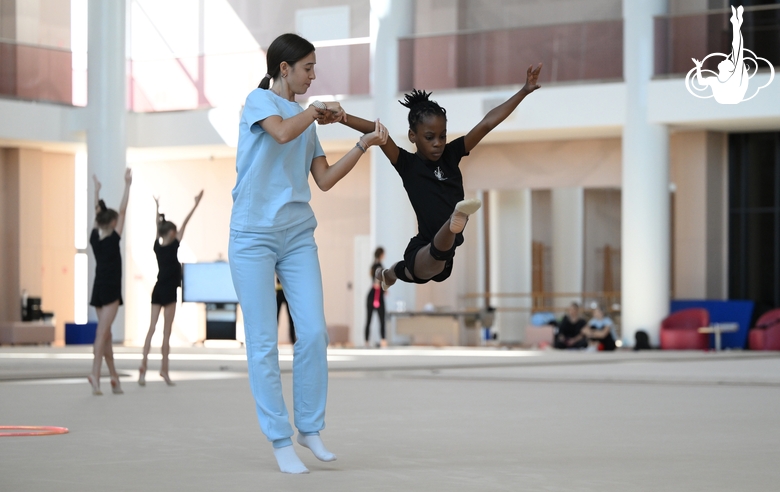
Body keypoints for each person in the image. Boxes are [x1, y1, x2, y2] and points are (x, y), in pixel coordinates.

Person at [227, 33, 387, 474]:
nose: (314, 75)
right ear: (284, 69)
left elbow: (326, 179)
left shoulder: (305, 118)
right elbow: (279, 135)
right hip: (252, 236)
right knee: (263, 343)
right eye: (308, 67)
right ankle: (279, 438)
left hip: (297, 235)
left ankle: (309, 428)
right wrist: (316, 112)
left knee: (313, 332)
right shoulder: (259, 103)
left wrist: (362, 144)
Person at [338, 64, 542, 289]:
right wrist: (341, 117)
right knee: (426, 265)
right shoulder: (407, 164)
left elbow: (487, 123)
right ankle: (453, 220)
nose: (438, 143)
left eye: (442, 136)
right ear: (412, 136)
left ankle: (389, 274)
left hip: (444, 255)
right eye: (429, 137)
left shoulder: (451, 154)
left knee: (412, 269)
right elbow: (378, 132)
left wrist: (524, 90)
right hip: (424, 249)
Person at [138, 190, 204, 386]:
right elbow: (184, 223)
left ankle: (148, 367)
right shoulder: (173, 245)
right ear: (171, 233)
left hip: (159, 289)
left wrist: (157, 208)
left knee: (152, 329)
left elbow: (160, 226)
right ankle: (162, 370)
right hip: (167, 292)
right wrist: (195, 204)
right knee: (165, 333)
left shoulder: (158, 247)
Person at [87, 170, 132, 396]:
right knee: (101, 333)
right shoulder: (114, 236)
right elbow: (122, 210)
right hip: (111, 289)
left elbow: (98, 212)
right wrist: (128, 185)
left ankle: (113, 377)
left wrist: (97, 192)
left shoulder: (95, 237)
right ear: (113, 222)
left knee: (106, 335)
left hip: (98, 288)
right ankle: (95, 375)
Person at [364, 247, 386, 348]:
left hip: (371, 295)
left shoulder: (373, 265)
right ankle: (383, 341)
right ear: (381, 254)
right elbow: (378, 282)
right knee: (382, 319)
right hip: (376, 295)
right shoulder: (379, 266)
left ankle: (366, 341)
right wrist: (382, 292)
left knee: (368, 319)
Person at [275, 276, 295, 344]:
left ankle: (293, 340)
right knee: (275, 319)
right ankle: (293, 340)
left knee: (291, 319)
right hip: (282, 293)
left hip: (286, 293)